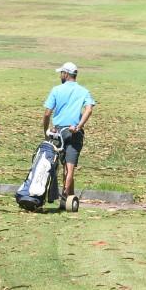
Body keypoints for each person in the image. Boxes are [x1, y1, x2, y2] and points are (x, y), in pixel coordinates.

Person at [41, 62, 94, 207]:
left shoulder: (56, 90)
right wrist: (78, 126)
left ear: (66, 74)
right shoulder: (84, 91)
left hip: (58, 132)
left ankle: (64, 196)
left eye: (61, 73)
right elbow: (89, 110)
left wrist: (46, 130)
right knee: (69, 168)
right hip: (74, 132)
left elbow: (47, 113)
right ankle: (68, 197)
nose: (60, 76)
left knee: (60, 166)